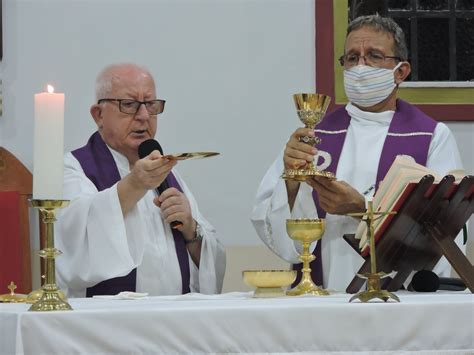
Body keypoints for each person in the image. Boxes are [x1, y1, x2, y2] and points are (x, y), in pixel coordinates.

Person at [251, 14, 464, 292]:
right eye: (352, 58)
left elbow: (447, 230)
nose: (360, 67)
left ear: (400, 71)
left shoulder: (431, 136)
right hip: (323, 294)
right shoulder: (316, 136)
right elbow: (272, 226)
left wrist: (363, 211)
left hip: (400, 300)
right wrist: (290, 183)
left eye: (373, 56)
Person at [55, 63, 225, 297]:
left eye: (151, 105)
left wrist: (190, 229)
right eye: (129, 104)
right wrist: (134, 185)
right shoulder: (73, 168)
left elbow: (210, 264)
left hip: (174, 322)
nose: (144, 116)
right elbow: (74, 243)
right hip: (106, 325)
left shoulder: (169, 174)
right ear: (99, 115)